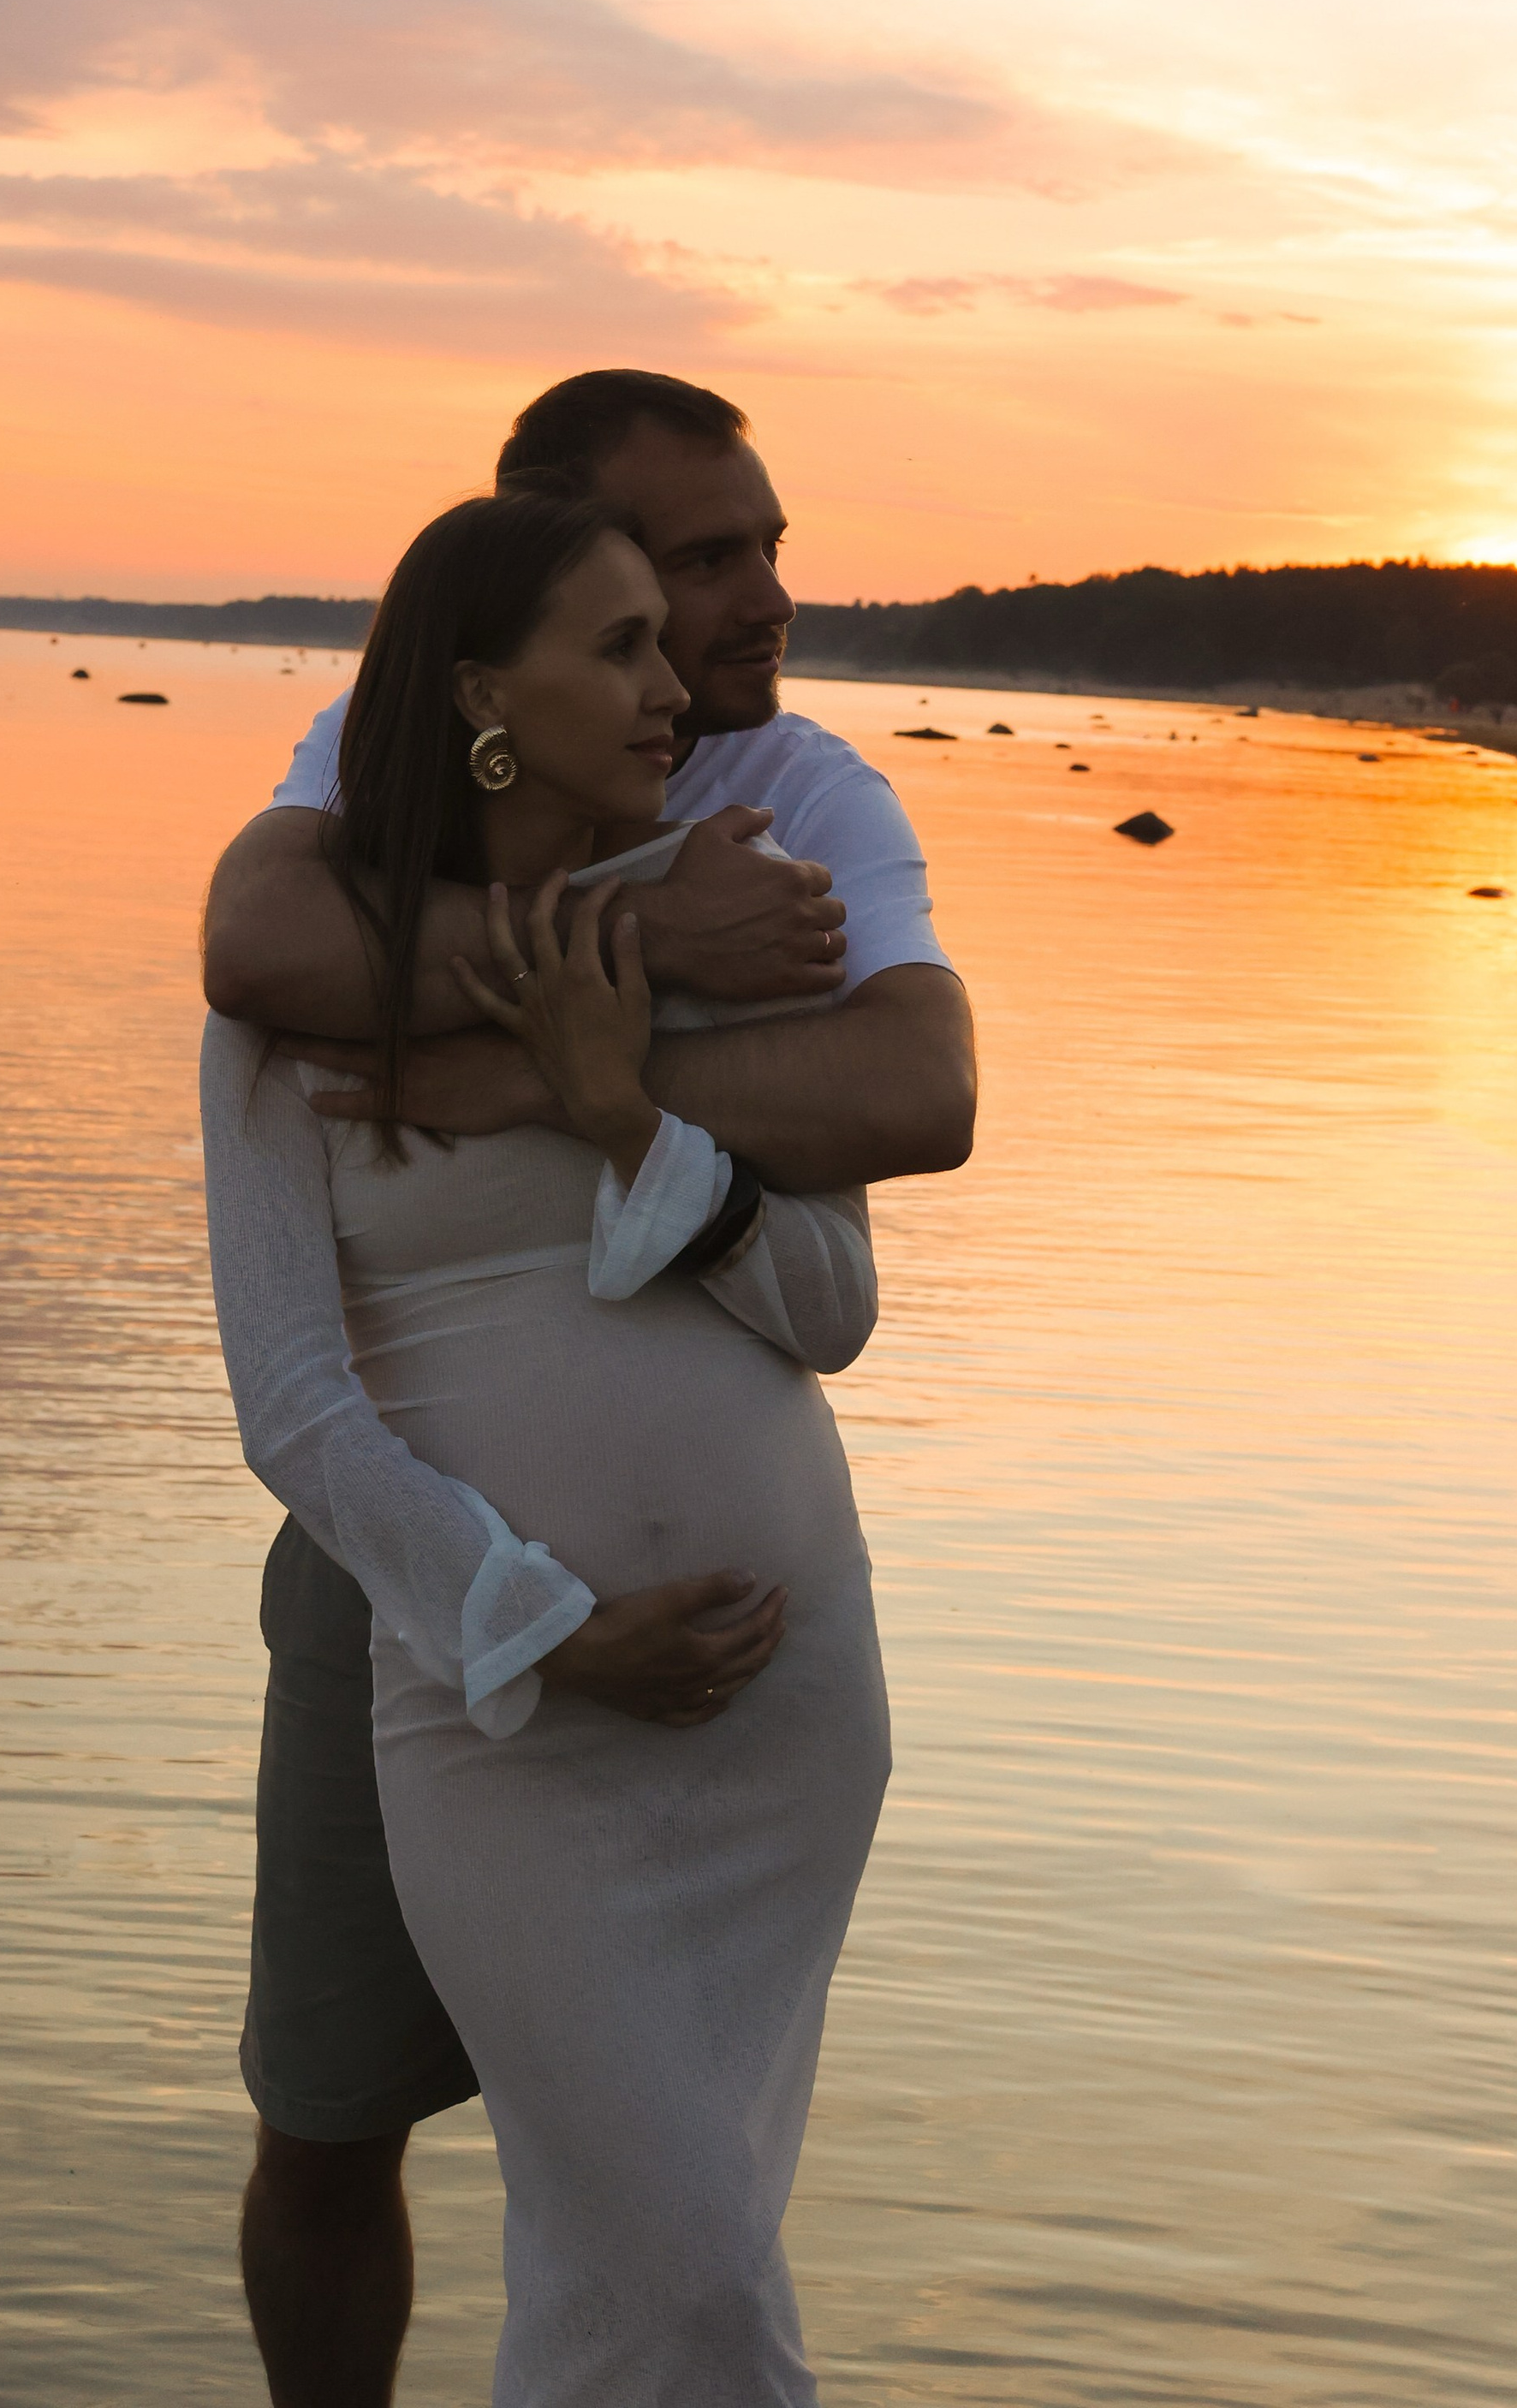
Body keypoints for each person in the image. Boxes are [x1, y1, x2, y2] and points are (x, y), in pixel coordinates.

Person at [201, 372, 975, 2408]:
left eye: (750, 554)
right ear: (488, 672)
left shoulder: (774, 846)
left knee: (667, 2250)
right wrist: (533, 1629)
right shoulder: (312, 947)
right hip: (455, 1659)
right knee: (393, 2144)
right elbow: (287, 1376)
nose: (746, 610)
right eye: (663, 585)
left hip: (772, 1709)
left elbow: (867, 1213)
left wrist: (597, 1079)